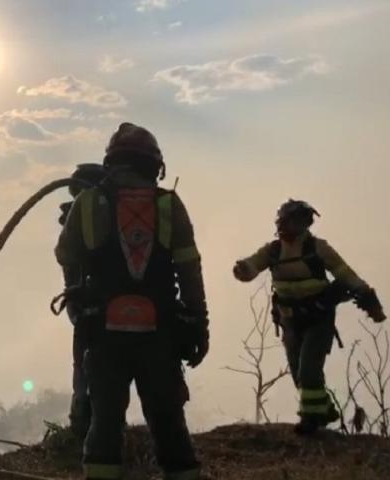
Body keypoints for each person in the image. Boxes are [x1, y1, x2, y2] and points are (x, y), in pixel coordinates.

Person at [56, 122, 208, 480]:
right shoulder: (170, 205)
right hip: (160, 335)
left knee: (105, 422)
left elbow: (67, 254)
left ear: (111, 163)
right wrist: (200, 325)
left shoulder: (88, 202)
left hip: (104, 333)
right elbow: (190, 270)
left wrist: (78, 300)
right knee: (169, 422)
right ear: (155, 167)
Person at [233, 199, 385, 435]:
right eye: (295, 221)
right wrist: (242, 269)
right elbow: (253, 265)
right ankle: (325, 410)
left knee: (309, 370)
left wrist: (369, 299)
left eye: (304, 221)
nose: (300, 226)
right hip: (289, 322)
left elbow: (346, 274)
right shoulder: (273, 250)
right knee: (299, 375)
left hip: (318, 319)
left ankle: (311, 420)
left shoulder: (318, 248)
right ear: (283, 221)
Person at [56, 163, 108, 439]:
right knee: (91, 371)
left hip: (88, 309)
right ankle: (85, 425)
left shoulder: (73, 222)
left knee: (87, 370)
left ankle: (83, 426)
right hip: (92, 308)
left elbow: (64, 256)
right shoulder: (95, 217)